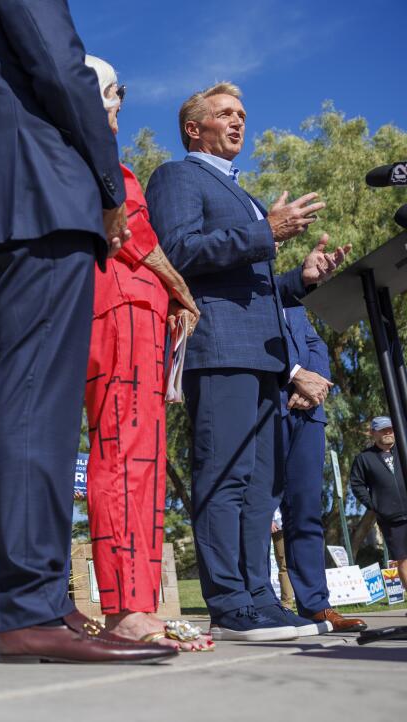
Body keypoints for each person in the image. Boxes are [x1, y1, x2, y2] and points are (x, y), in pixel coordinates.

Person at [0, 0, 174, 663]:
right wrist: (108, 187)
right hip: (43, 203)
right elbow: (66, 74)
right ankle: (33, 606)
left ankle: (33, 601)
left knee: (17, 404)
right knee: (38, 408)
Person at [146, 81, 350, 641]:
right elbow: (180, 252)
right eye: (226, 114)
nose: (239, 122)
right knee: (226, 475)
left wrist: (299, 278)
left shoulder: (246, 193)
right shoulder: (177, 176)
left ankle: (260, 596)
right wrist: (266, 232)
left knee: (262, 485)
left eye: (242, 114)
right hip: (221, 350)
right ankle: (229, 602)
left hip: (266, 356)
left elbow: (254, 282)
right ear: (195, 128)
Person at [79, 56, 210, 652]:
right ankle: (128, 606)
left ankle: (131, 602)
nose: (117, 105)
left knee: (131, 460)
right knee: (128, 459)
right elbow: (134, 232)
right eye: (109, 94)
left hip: (126, 316)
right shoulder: (99, 160)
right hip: (122, 313)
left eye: (118, 95)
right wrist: (181, 287)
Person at [278, 307, 365, 632]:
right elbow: (252, 342)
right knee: (255, 512)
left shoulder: (295, 304)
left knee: (306, 512)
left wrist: (315, 387)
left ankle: (315, 606)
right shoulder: (249, 282)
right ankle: (255, 603)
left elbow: (317, 346)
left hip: (308, 414)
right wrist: (294, 376)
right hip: (269, 407)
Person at [351, 417, 407, 586]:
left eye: (390, 429)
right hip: (391, 519)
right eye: (383, 430)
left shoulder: (404, 449)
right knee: (403, 560)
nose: (388, 432)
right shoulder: (364, 458)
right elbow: (357, 484)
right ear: (373, 433)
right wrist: (374, 505)